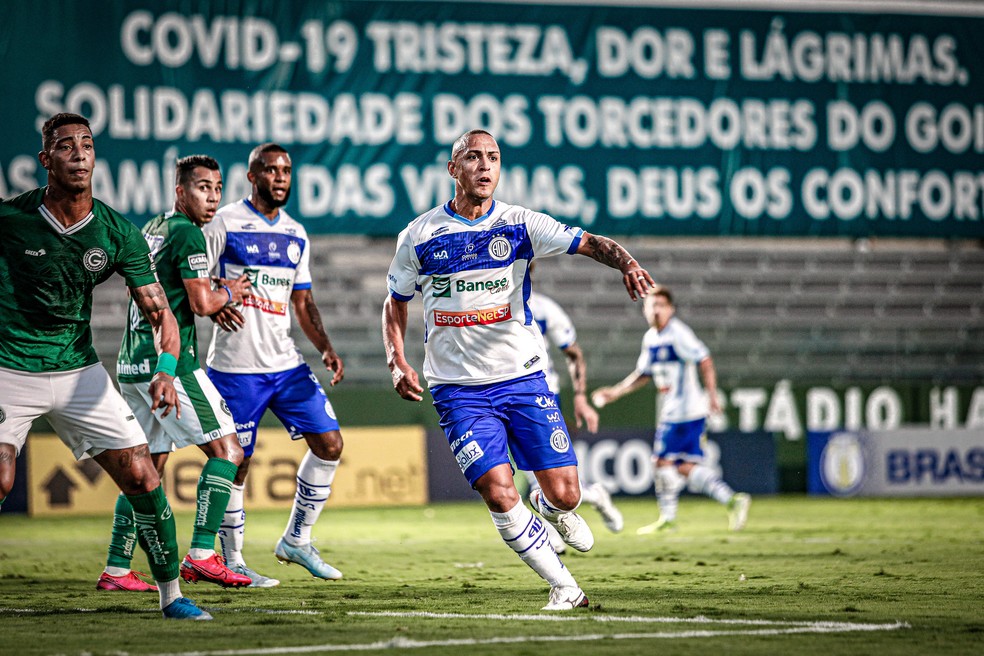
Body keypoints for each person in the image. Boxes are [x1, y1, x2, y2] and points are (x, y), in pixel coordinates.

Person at [382, 129, 654, 611]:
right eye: (473, 157)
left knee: (567, 494)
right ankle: (565, 587)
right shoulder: (419, 235)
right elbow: (395, 302)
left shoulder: (521, 224)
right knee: (497, 489)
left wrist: (628, 263)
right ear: (453, 170)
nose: (485, 166)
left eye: (493, 158)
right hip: (457, 389)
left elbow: (590, 242)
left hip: (522, 379)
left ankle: (550, 509)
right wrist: (397, 358)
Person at [0, 113, 210, 620]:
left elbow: (164, 316)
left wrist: (164, 370)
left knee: (142, 474)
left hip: (79, 373)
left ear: (95, 157)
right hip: (10, 367)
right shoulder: (11, 219)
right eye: (64, 145)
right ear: (45, 159)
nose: (77, 152)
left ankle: (172, 598)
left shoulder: (118, 232)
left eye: (86, 144)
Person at [98, 155, 255, 593]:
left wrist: (212, 296)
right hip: (170, 366)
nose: (213, 197)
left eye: (218, 188)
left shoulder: (154, 228)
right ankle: (204, 555)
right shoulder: (187, 233)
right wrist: (230, 291)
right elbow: (203, 303)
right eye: (203, 187)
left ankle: (116, 567)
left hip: (132, 363)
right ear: (180, 190)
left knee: (146, 469)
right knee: (228, 451)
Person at [203, 143, 346, 587]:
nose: (281, 177)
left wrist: (324, 346)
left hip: (286, 365)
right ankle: (234, 559)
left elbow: (302, 300)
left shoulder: (296, 232)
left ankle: (297, 540)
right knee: (237, 463)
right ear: (252, 175)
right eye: (271, 170)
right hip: (234, 366)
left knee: (330, 444)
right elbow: (195, 276)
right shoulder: (223, 221)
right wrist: (216, 299)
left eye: (286, 170)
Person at [591, 286, 751, 533]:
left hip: (684, 411)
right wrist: (615, 392)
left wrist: (712, 395)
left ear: (671, 309)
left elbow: (705, 360)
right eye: (651, 305)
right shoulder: (651, 338)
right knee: (683, 466)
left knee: (661, 462)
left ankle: (669, 518)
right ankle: (731, 499)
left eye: (661, 305)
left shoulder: (678, 334)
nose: (656, 310)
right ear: (644, 310)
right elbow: (642, 375)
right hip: (677, 411)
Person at [524, 278, 623, 555]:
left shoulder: (544, 309)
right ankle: (575, 510)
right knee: (530, 469)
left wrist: (580, 396)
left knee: (544, 471)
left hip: (542, 393)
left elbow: (573, 353)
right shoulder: (487, 303)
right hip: (502, 392)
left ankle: (582, 503)